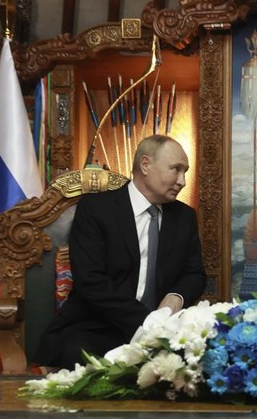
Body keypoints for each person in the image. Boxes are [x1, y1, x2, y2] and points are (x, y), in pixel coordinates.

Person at [35, 136, 206, 370]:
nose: (182, 181)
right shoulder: (96, 210)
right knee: (76, 355)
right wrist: (147, 322)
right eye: (176, 169)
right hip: (97, 327)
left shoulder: (184, 217)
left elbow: (194, 274)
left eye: (185, 172)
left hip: (164, 333)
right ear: (145, 165)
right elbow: (91, 282)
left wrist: (176, 297)